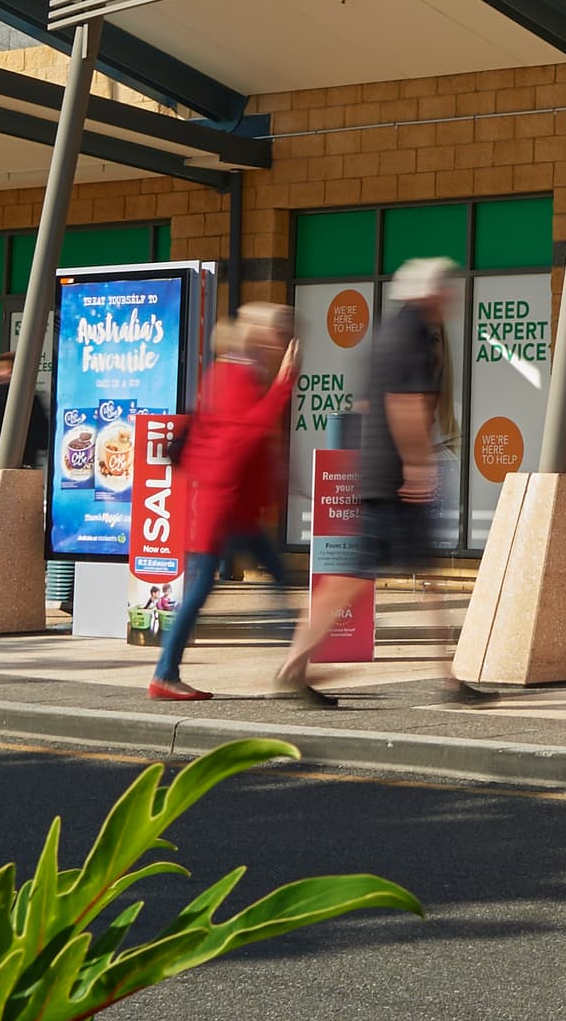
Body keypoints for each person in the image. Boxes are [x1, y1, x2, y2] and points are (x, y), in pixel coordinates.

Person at [277, 258, 490, 707]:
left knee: (392, 574)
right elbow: (404, 405)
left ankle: (446, 675)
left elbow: (364, 403)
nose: (451, 297)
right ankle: (296, 666)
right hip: (394, 480)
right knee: (374, 576)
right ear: (429, 294)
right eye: (446, 290)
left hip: (376, 474)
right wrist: (417, 465)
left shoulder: (382, 335)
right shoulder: (412, 335)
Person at [145, 306, 298, 700]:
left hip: (235, 509)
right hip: (222, 508)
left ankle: (296, 667)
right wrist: (283, 385)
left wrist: (279, 481)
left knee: (274, 578)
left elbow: (249, 445)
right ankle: (165, 674)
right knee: (198, 593)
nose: (276, 342)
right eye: (272, 335)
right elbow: (245, 434)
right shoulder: (233, 376)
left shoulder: (240, 375)